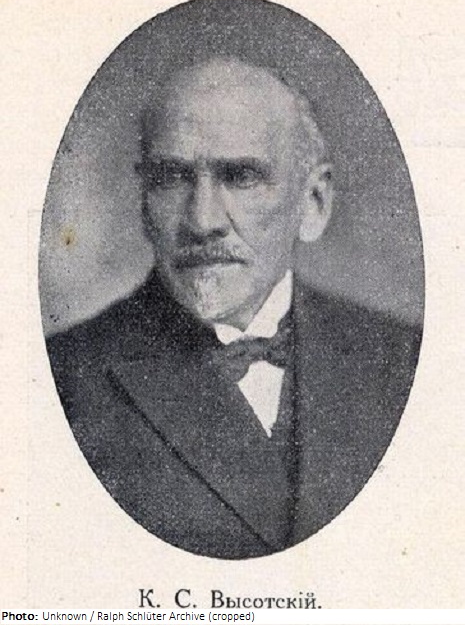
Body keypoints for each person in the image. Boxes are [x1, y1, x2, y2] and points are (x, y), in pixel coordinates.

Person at [47, 57, 421, 559]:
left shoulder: (406, 361)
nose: (203, 222)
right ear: (143, 201)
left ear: (313, 203)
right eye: (172, 177)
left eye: (241, 176)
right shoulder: (61, 381)